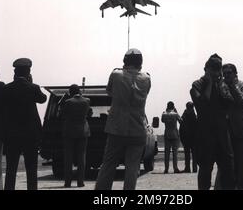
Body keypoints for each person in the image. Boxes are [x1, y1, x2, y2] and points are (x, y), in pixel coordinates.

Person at [95, 48, 151, 190]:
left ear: (125, 61)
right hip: (138, 128)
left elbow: (109, 91)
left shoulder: (116, 75)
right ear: (141, 62)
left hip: (117, 128)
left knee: (108, 165)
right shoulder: (146, 78)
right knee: (132, 168)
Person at [190, 53, 236, 190]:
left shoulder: (222, 85)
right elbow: (202, 104)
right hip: (205, 135)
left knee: (228, 171)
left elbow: (229, 103)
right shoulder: (197, 85)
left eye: (218, 68)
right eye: (213, 68)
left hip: (222, 134)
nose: (216, 71)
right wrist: (209, 83)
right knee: (205, 171)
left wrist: (220, 84)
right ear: (206, 69)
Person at [3, 58, 47, 190]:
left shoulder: (7, 88)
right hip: (30, 134)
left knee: (11, 167)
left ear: (15, 72)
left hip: (12, 133)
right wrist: (31, 83)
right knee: (31, 168)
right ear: (28, 72)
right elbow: (43, 99)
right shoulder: (33, 88)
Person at [214, 63, 243, 190]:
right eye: (224, 74)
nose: (226, 76)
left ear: (235, 74)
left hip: (240, 129)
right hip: (225, 129)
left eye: (229, 73)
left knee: (241, 165)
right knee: (225, 164)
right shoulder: (220, 86)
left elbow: (242, 101)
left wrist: (232, 86)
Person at [61, 84, 90, 188]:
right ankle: (80, 182)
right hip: (82, 131)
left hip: (69, 132)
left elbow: (62, 113)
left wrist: (65, 98)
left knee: (68, 158)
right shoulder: (87, 101)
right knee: (81, 157)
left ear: (70, 92)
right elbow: (89, 113)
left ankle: (67, 182)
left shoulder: (67, 102)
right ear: (79, 91)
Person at [161, 101, 182, 174]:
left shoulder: (164, 114)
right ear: (173, 106)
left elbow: (162, 120)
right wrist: (176, 112)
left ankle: (166, 168)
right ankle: (175, 168)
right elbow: (181, 121)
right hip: (175, 134)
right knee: (175, 153)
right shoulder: (175, 114)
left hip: (167, 134)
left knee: (166, 153)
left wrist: (166, 111)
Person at [179, 101, 197, 173]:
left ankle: (187, 168)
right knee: (194, 154)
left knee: (187, 154)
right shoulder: (194, 115)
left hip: (186, 138)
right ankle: (194, 168)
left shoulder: (185, 115)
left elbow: (181, 125)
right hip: (193, 138)